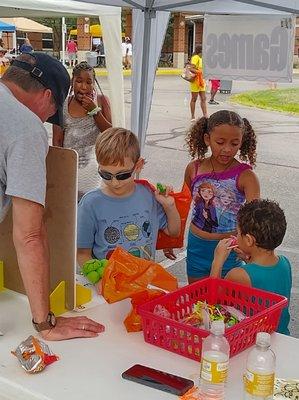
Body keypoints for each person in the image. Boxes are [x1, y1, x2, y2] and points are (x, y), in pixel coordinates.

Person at [0, 52, 104, 340]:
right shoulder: (25, 126)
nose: (46, 121)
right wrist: (46, 323)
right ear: (47, 95)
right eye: (51, 114)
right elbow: (29, 235)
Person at [77, 127, 181, 264]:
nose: (114, 183)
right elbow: (82, 254)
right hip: (108, 281)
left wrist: (169, 205)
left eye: (123, 175)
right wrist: (98, 281)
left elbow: (173, 232)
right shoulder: (90, 203)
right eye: (106, 175)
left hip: (144, 279)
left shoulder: (149, 195)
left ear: (138, 165)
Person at [183, 110, 260, 283]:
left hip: (229, 250)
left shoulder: (246, 176)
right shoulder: (193, 168)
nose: (227, 149)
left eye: (234, 143)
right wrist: (174, 238)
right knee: (198, 301)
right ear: (207, 139)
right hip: (197, 246)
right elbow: (183, 204)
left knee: (225, 303)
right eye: (220, 142)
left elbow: (255, 219)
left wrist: (251, 251)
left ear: (242, 142)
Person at [211, 199, 292, 335]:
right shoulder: (285, 263)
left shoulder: (238, 275)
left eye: (238, 233)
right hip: (280, 334)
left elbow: (214, 304)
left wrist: (217, 260)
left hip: (252, 339)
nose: (236, 236)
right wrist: (249, 259)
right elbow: (264, 280)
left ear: (249, 240)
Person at [52, 61, 112, 200]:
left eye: (88, 82)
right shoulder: (63, 105)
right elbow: (57, 141)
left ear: (93, 84)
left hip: (95, 170)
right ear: (72, 82)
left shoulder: (102, 101)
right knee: (72, 211)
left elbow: (110, 134)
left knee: (92, 206)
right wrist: (59, 170)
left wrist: (94, 111)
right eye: (79, 81)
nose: (84, 87)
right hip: (70, 169)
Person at [189, 45, 208, 121]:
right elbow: (191, 68)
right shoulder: (195, 57)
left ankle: (205, 115)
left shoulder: (201, 58)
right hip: (195, 81)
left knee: (203, 98)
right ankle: (192, 116)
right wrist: (199, 72)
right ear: (200, 51)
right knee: (194, 99)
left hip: (201, 81)